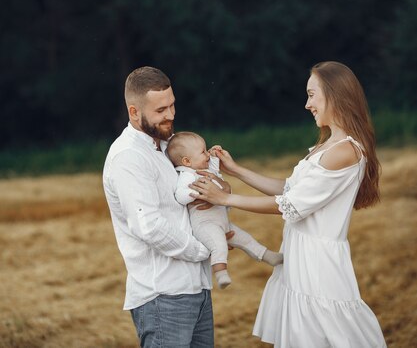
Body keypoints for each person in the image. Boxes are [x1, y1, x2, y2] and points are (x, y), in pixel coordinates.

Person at [190, 61, 387, 347]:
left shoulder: (344, 151)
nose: (307, 104)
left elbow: (290, 205)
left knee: (330, 334)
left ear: (335, 94)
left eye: (311, 94)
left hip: (318, 263)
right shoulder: (328, 145)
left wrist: (224, 198)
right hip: (300, 255)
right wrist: (237, 171)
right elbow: (290, 189)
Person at [103, 66, 230, 348]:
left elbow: (207, 188)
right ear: (134, 112)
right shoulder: (128, 158)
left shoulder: (170, 147)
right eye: (160, 110)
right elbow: (148, 226)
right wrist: (204, 250)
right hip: (163, 296)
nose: (171, 115)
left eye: (172, 105)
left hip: (197, 288)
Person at [167, 131, 283, 289]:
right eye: (203, 152)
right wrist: (197, 194)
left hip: (223, 222)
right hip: (206, 224)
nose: (207, 154)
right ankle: (221, 273)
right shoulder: (188, 175)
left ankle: (268, 256)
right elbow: (180, 196)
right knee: (219, 245)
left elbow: (217, 172)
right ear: (187, 161)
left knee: (245, 239)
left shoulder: (205, 169)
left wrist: (216, 154)